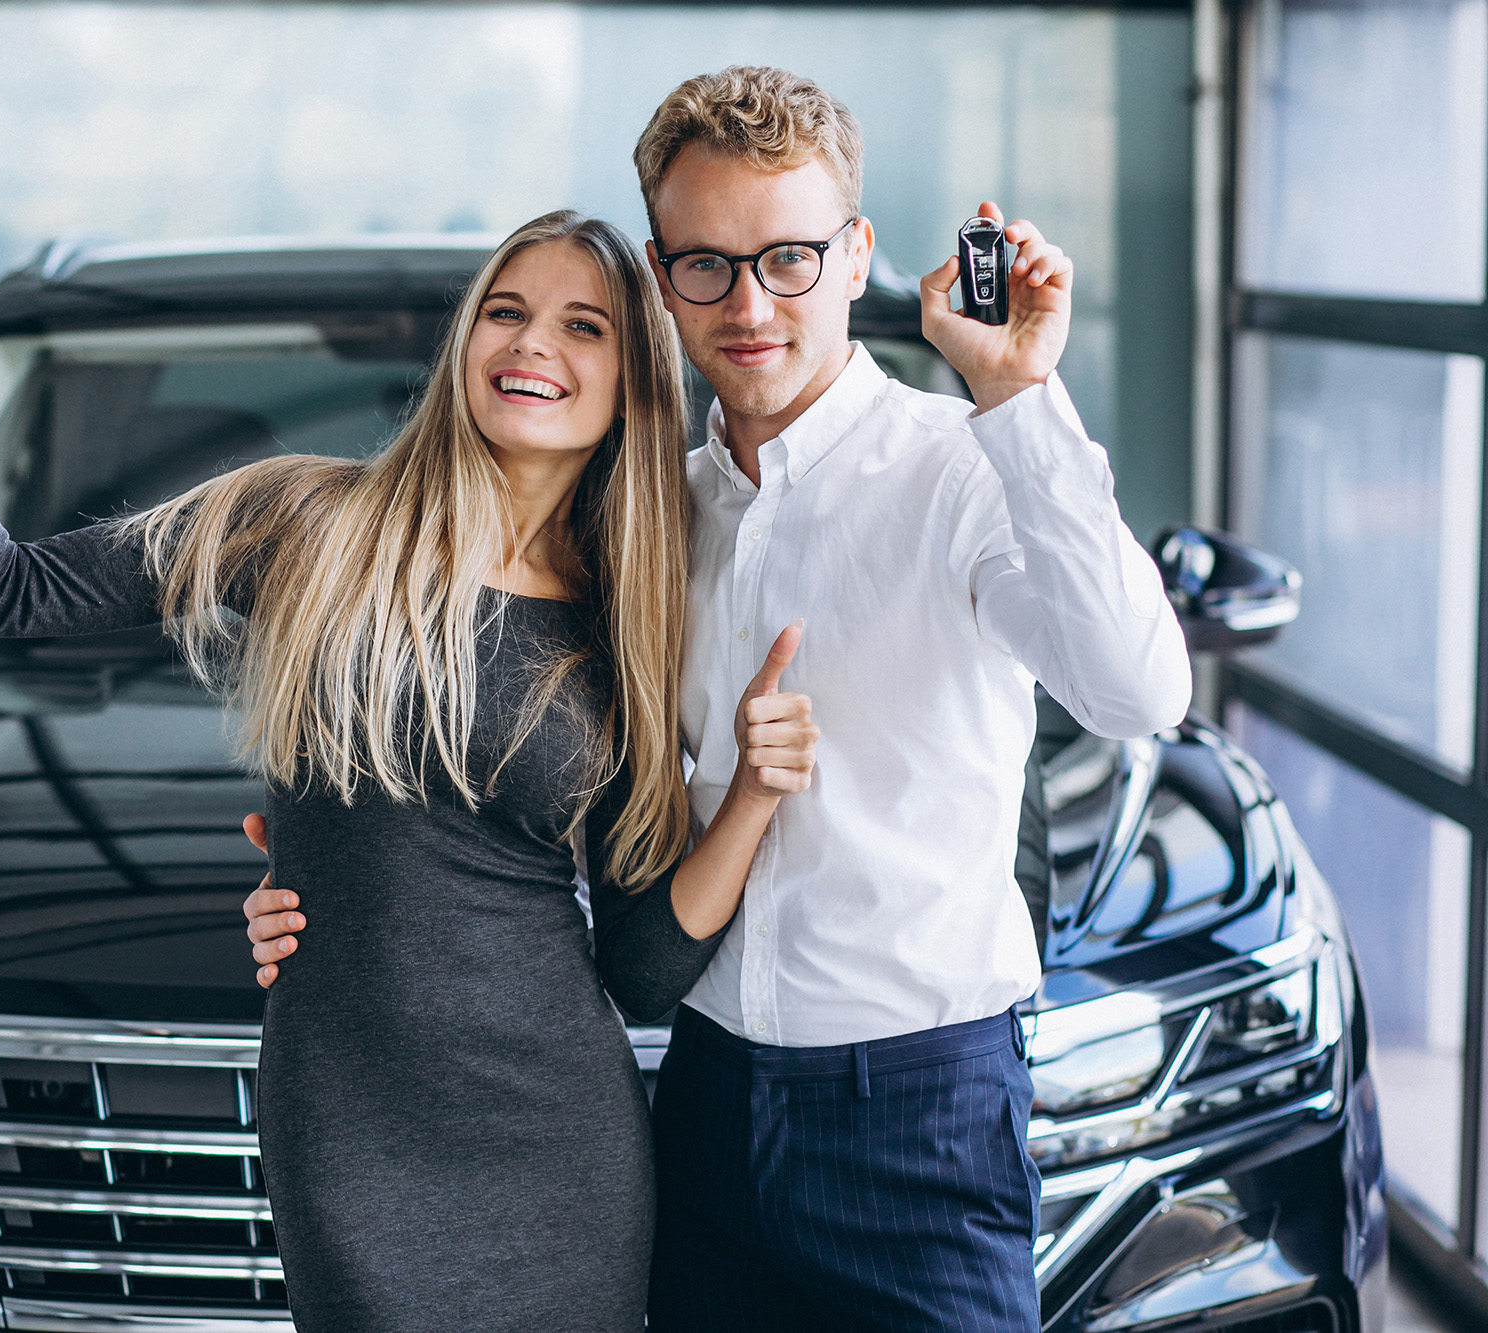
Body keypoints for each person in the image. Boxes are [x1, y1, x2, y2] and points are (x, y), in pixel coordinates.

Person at [246, 65, 1193, 1331]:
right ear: (659, 276)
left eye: (788, 258)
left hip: (917, 1114)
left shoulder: (964, 469)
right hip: (695, 1105)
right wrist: (334, 880)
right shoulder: (643, 524)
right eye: (706, 265)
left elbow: (1136, 692)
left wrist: (1016, 397)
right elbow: (491, 756)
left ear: (855, 255)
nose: (749, 305)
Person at [0, 186, 818, 1332]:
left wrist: (747, 798)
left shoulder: (621, 622)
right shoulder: (305, 524)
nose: (532, 343)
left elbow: (637, 969)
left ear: (632, 382)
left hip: (557, 1137)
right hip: (348, 1118)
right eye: (505, 311)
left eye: (582, 326)